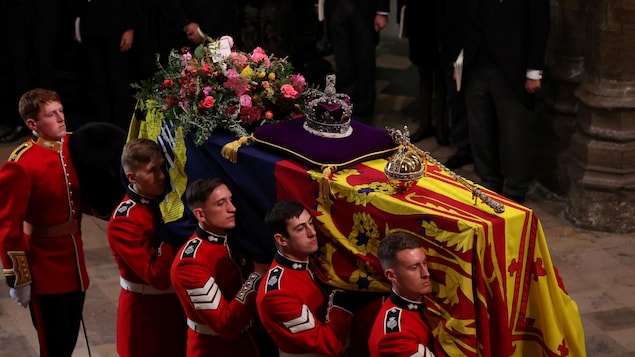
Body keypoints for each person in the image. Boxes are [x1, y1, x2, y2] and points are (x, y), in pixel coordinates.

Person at [0, 88, 89, 356]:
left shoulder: (74, 147)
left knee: (70, 337)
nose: (61, 118)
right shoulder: (22, 163)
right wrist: (19, 278)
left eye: (61, 111)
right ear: (33, 124)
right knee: (54, 347)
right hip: (44, 269)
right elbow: (8, 228)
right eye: (52, 115)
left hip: (75, 263)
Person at [170, 178, 274, 356]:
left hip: (248, 342)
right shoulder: (190, 264)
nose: (232, 208)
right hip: (215, 348)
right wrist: (256, 277)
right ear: (200, 215)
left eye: (230, 200)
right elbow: (225, 325)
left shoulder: (231, 240)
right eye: (220, 203)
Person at [463, 0, 550, 203]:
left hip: (513, 70)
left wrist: (534, 72)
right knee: (480, 130)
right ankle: (489, 181)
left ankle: (515, 190)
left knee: (514, 134)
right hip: (475, 65)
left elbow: (539, 25)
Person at [107, 138, 187, 357]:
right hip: (146, 316)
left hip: (172, 310)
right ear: (132, 177)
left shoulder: (163, 200)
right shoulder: (125, 221)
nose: (162, 176)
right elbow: (158, 276)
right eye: (152, 171)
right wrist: (171, 236)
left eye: (162, 167)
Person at [256, 199, 356, 356]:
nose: (312, 232)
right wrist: (341, 304)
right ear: (281, 240)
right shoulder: (277, 294)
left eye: (311, 223)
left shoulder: (307, 259)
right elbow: (327, 345)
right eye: (301, 228)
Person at [368, 232, 436, 357]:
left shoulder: (425, 302)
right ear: (392, 275)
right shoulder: (395, 339)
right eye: (414, 267)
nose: (426, 273)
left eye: (425, 263)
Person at [73, 0, 139, 130]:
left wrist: (130, 27)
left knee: (118, 82)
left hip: (117, 27)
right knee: (97, 83)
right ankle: (103, 127)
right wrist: (77, 23)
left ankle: (122, 129)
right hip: (89, 26)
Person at [1, 1, 61, 143]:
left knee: (46, 71)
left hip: (44, 12)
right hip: (16, 11)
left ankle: (51, 123)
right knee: (18, 71)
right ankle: (22, 123)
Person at [323, 0, 390, 124]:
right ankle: (344, 109)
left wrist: (382, 11)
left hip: (363, 10)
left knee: (364, 63)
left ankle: (362, 115)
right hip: (335, 7)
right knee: (342, 63)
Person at [399, 0, 449, 145]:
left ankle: (441, 127)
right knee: (423, 73)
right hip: (418, 16)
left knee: (440, 78)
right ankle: (425, 124)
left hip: (440, 17)